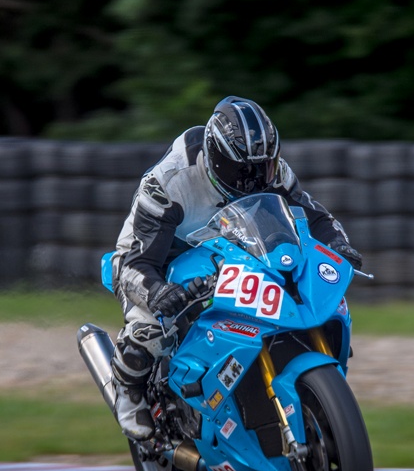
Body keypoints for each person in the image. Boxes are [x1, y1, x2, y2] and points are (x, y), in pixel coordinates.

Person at [110, 95, 363, 441]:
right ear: (215, 157)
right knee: (153, 326)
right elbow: (136, 264)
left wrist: (338, 244)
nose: (253, 179)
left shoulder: (272, 171)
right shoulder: (170, 182)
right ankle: (128, 389)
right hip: (155, 258)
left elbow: (317, 217)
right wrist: (157, 292)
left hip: (229, 246)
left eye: (262, 168)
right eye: (241, 171)